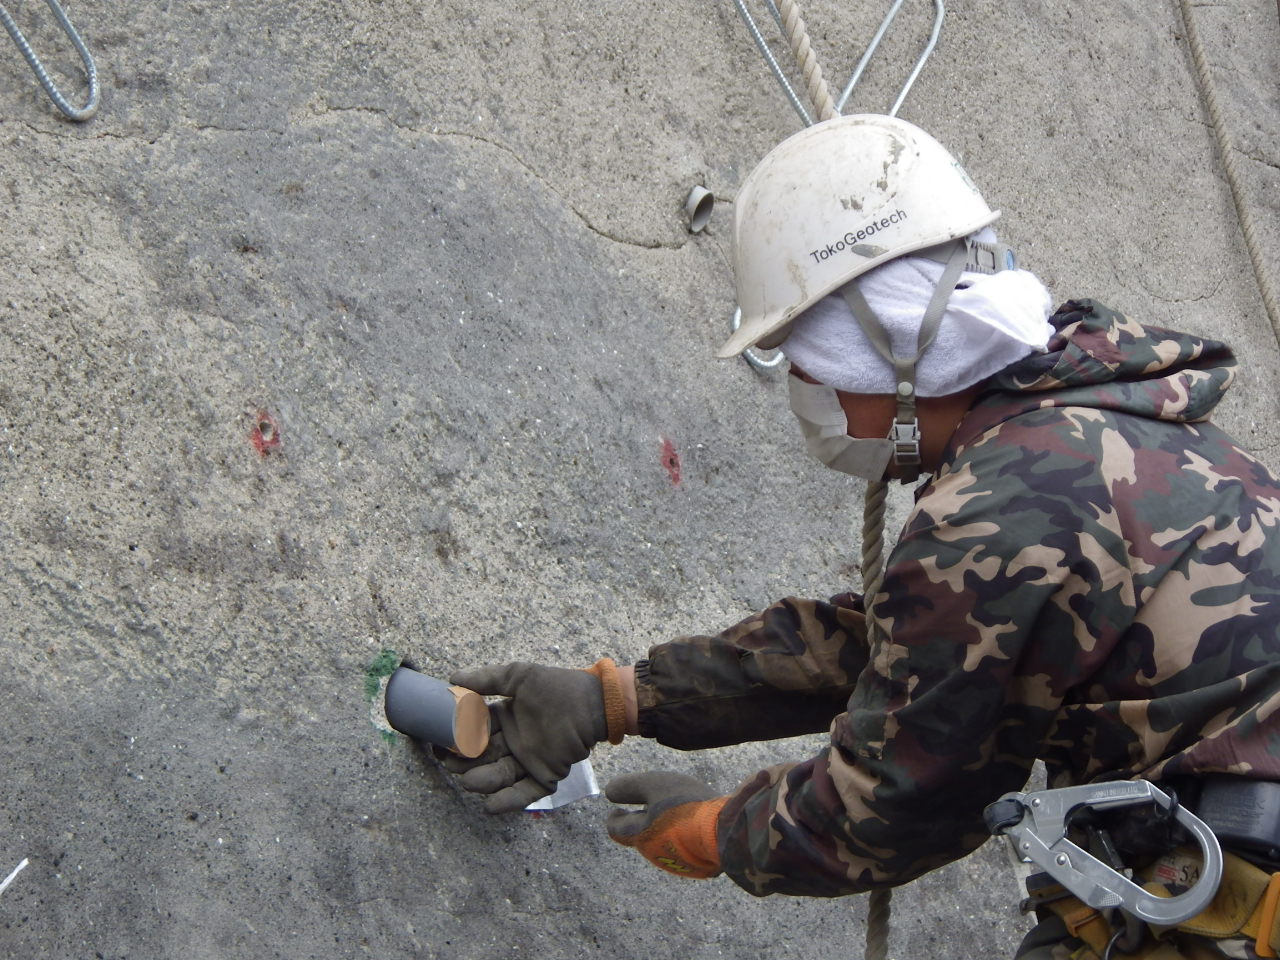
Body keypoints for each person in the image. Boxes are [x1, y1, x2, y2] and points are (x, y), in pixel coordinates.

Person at [440, 115, 1280, 959]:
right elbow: (898, 646)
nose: (805, 396)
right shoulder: (1128, 433)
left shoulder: (992, 509)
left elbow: (890, 804)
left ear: (888, 353)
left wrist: (708, 831)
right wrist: (625, 696)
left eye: (809, 368)